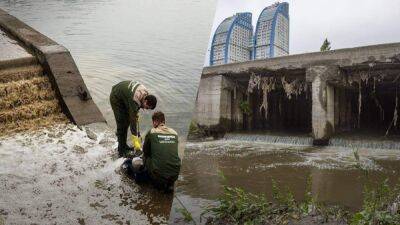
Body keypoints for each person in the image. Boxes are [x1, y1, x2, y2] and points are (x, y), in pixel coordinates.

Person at [123, 111, 181, 192]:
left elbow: (146, 153)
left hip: (158, 176)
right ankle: (169, 182)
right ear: (164, 121)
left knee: (144, 159)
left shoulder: (152, 132)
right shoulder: (175, 133)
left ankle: (157, 181)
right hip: (175, 175)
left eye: (153, 122)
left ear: (154, 122)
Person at [110, 80, 157, 157]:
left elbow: (135, 108)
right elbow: (133, 123)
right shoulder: (135, 99)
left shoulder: (145, 94)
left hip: (124, 96)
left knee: (127, 122)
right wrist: (135, 140)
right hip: (116, 98)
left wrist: (135, 114)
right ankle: (121, 151)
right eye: (147, 107)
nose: (145, 109)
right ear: (146, 101)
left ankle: (124, 145)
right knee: (122, 124)